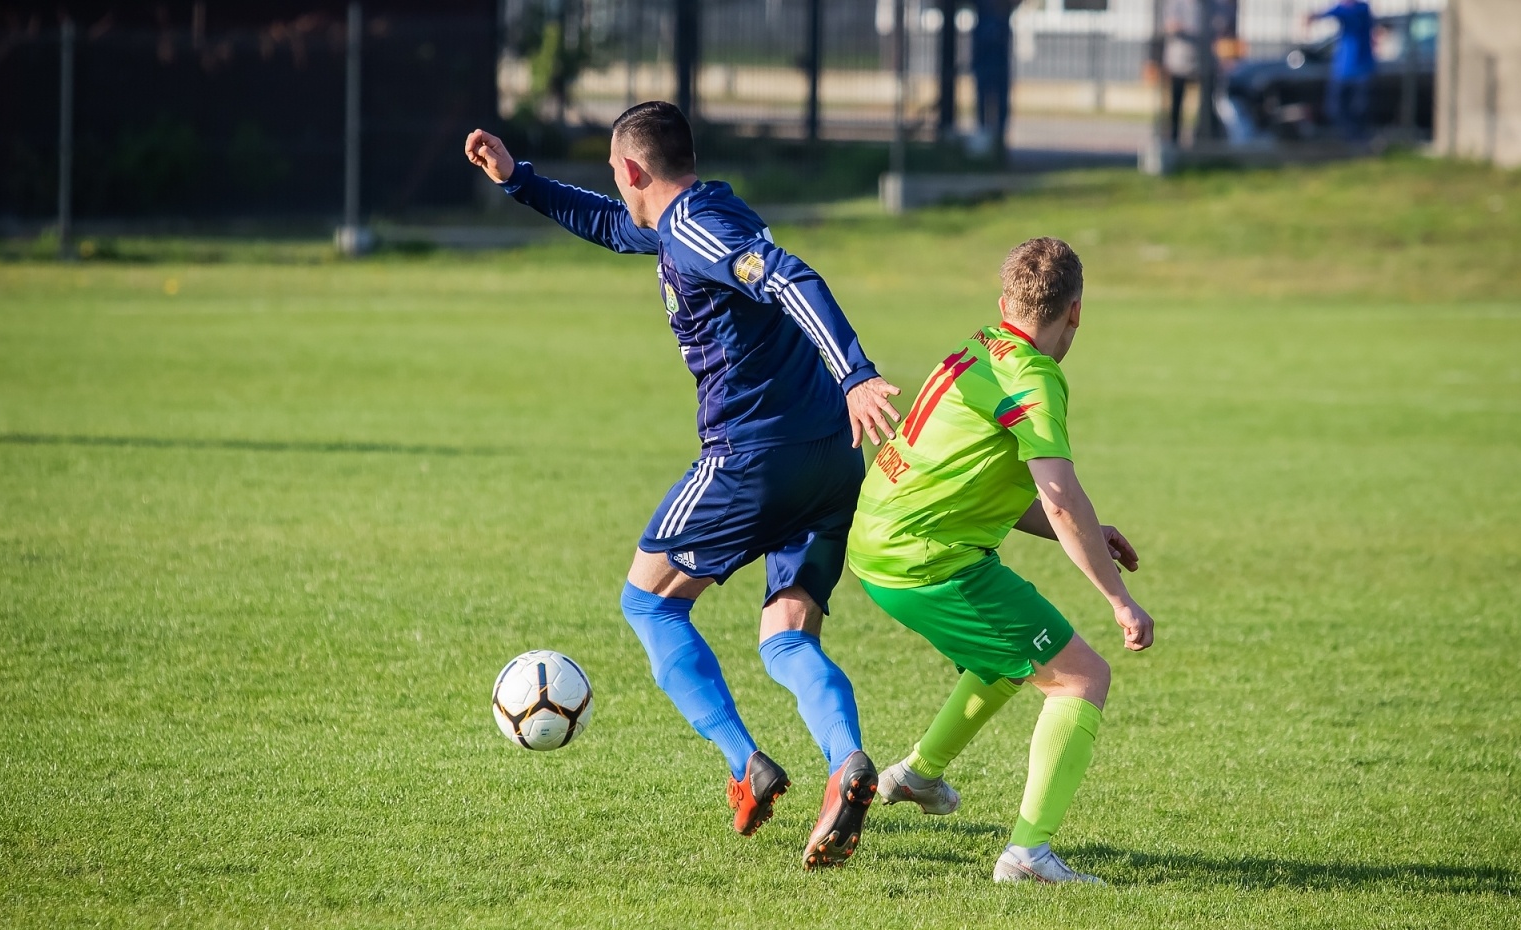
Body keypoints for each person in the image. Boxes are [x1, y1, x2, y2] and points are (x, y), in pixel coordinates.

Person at [464, 103, 903, 870]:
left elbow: (790, 278)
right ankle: (846, 762)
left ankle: (745, 766)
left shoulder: (699, 231)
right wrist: (519, 181)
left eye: (614, 172)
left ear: (634, 169)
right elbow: (610, 224)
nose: (613, 184)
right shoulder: (697, 213)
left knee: (649, 602)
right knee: (788, 635)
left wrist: (856, 373)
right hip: (831, 459)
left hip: (755, 456)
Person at [847, 237, 1153, 884]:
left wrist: (1091, 534)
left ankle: (918, 775)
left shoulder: (977, 348)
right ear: (1075, 311)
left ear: (1004, 303)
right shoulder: (1034, 378)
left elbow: (995, 492)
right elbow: (1060, 496)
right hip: (927, 559)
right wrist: (1118, 601)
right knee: (1080, 677)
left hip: (884, 540)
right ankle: (1028, 856)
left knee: (1008, 656)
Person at [1308, 0, 1376, 141]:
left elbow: (1346, 14)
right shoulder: (1341, 9)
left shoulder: (1362, 9)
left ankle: (1359, 139)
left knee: (1360, 109)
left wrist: (1318, 15)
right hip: (1342, 70)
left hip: (1362, 70)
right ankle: (1348, 138)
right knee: (1334, 108)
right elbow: (1338, 11)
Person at [972, 0, 1016, 157]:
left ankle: (998, 137)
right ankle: (984, 133)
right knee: (984, 87)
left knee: (999, 88)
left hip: (997, 32)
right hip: (985, 32)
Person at [1161, 0, 1201, 145]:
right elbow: (1170, 25)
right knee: (1176, 102)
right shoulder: (1176, 4)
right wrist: (1188, 29)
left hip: (1200, 62)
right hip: (1178, 62)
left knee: (1206, 102)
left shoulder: (1205, 5)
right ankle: (1174, 137)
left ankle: (1202, 136)